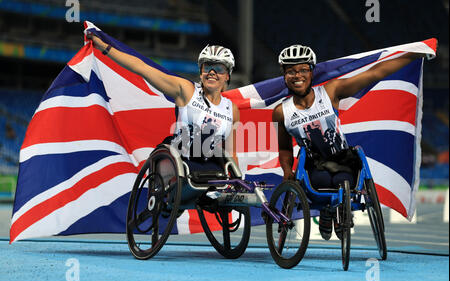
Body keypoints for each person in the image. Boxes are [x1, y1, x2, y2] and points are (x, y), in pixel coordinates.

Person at [272, 44, 425, 240]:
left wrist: (414, 54)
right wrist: (287, 170)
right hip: (313, 168)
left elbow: (374, 74)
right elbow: (284, 147)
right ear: (284, 75)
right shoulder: (280, 112)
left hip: (343, 161)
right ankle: (328, 211)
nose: (297, 75)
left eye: (303, 70)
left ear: (312, 72)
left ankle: (340, 212)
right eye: (291, 71)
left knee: (343, 181)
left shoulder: (330, 92)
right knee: (323, 186)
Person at [86, 33, 240, 171]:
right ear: (201, 73)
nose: (212, 72)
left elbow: (231, 152)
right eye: (207, 67)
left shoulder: (230, 109)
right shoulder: (186, 90)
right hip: (180, 160)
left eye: (218, 68)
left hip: (208, 165)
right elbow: (142, 68)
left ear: (227, 75)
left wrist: (238, 181)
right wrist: (104, 48)